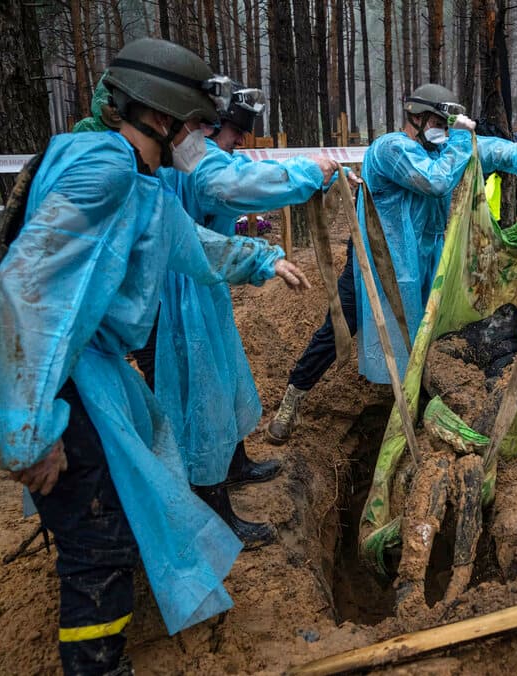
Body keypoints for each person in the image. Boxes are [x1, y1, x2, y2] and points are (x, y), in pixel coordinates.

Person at [0, 38, 311, 674]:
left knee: (116, 490)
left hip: (58, 360)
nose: (202, 140)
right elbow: (25, 292)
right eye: (198, 126)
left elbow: (194, 246)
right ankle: (99, 663)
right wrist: (32, 431)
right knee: (97, 536)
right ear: (166, 117)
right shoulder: (108, 169)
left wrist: (263, 259)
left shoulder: (137, 181)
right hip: (37, 363)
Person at [266, 83, 517, 442]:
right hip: (376, 261)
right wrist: (462, 139)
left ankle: (417, 398)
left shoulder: (441, 148)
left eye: (447, 125)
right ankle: (292, 399)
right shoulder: (390, 149)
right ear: (415, 117)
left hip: (425, 259)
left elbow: (485, 151)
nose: (444, 131)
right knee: (340, 325)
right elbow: (435, 181)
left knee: (427, 328)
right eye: (438, 122)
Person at [134, 86, 344, 548]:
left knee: (225, 377)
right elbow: (235, 184)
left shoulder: (204, 156)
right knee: (201, 393)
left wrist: (309, 173)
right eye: (229, 133)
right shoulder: (194, 164)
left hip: (205, 284)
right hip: (176, 295)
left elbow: (248, 170)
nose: (233, 144)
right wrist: (307, 174)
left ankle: (234, 464)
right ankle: (213, 507)